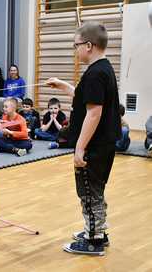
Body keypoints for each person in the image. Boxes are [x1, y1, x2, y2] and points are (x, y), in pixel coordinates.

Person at [47, 21, 121, 256]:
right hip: (103, 144)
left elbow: (94, 112)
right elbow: (84, 96)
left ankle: (93, 240)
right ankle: (98, 230)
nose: (74, 50)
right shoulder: (103, 69)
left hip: (94, 146)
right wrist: (62, 86)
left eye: (75, 45)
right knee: (96, 190)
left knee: (88, 192)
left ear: (88, 45)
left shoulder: (95, 74)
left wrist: (79, 148)